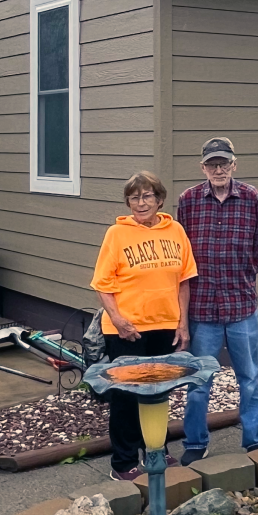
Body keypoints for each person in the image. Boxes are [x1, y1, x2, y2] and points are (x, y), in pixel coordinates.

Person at [90, 171, 195, 480]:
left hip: (164, 325)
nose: (140, 202)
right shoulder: (116, 234)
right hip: (126, 329)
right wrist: (119, 320)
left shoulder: (175, 231)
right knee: (125, 396)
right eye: (134, 197)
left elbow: (184, 282)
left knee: (159, 392)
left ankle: (156, 449)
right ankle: (122, 463)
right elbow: (102, 284)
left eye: (147, 196)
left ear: (159, 199)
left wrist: (183, 323)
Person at [177, 137, 258, 464]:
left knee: (249, 378)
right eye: (212, 164)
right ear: (202, 167)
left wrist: (244, 274)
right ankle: (195, 442)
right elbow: (182, 253)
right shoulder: (187, 201)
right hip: (203, 310)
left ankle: (255, 441)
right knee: (199, 382)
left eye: (224, 163)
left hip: (241, 306)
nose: (218, 169)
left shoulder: (251, 198)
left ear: (235, 164)